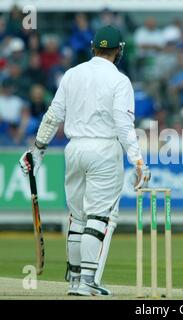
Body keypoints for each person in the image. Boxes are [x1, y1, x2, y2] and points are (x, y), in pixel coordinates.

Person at [19, 25, 150, 296]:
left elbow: (53, 115)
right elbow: (124, 126)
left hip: (74, 148)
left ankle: (76, 280)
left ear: (93, 47)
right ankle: (88, 280)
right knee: (98, 216)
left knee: (77, 217)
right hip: (104, 149)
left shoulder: (71, 74)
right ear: (118, 51)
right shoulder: (119, 80)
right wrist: (138, 161)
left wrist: (38, 150)